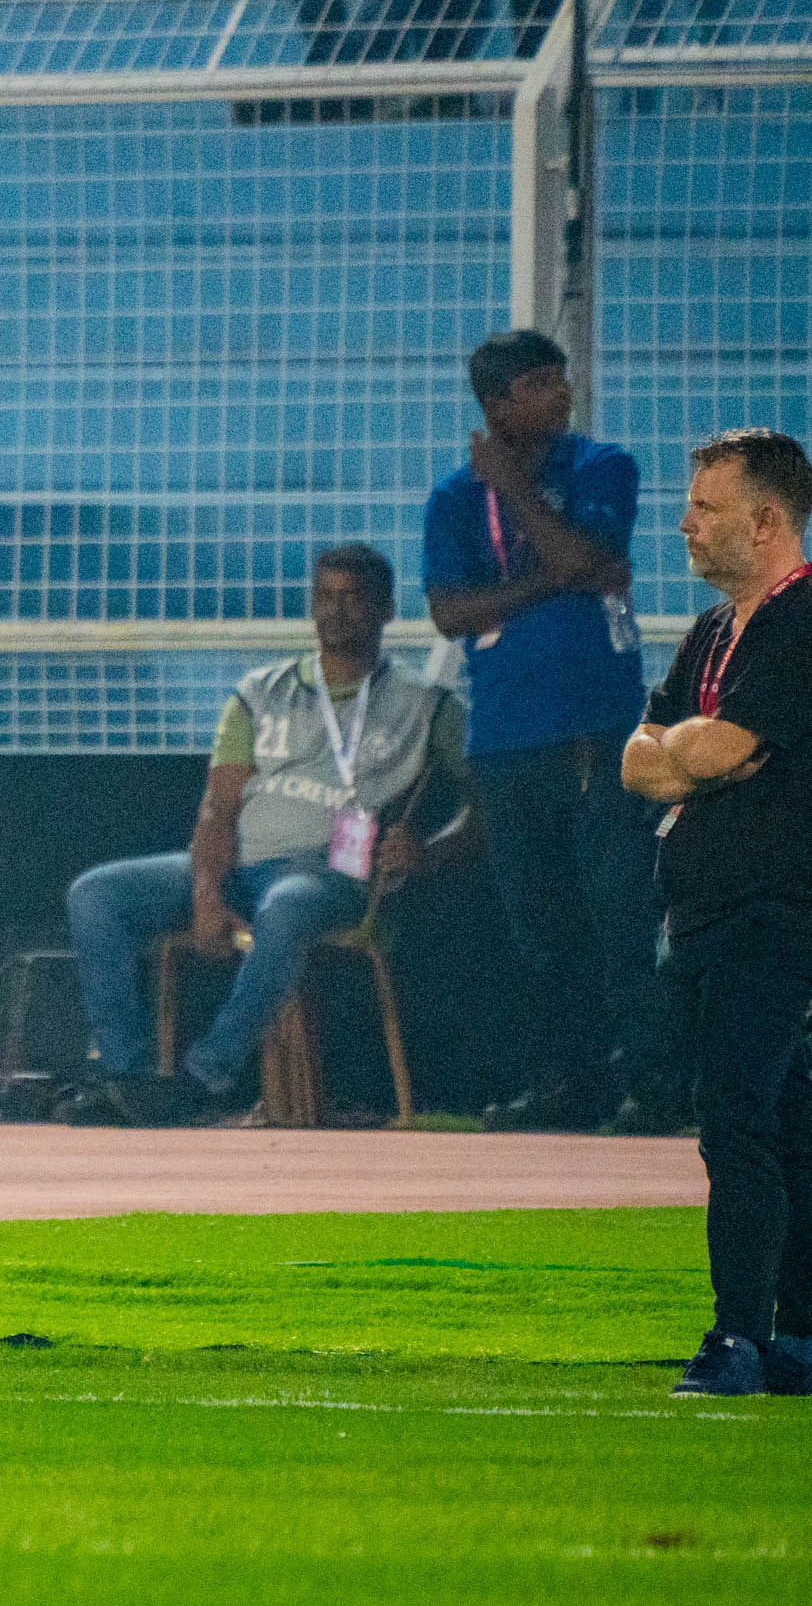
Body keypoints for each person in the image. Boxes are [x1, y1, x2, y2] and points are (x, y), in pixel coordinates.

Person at [66, 545, 476, 1126]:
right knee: (95, 895)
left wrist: (428, 853)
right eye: (324, 597)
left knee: (285, 907)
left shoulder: (426, 704)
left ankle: (203, 1080)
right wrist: (207, 892)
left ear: (386, 608)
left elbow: (488, 806)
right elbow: (217, 807)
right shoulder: (259, 691)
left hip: (327, 872)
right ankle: (127, 1081)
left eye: (353, 598)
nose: (336, 611)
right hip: (238, 863)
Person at [424, 328, 670, 1132]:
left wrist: (518, 492)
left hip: (595, 726)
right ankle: (567, 1083)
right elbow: (449, 611)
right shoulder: (454, 499)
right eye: (537, 383)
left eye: (560, 377)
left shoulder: (602, 466)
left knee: (620, 912)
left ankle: (651, 1085)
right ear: (495, 404)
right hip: (504, 738)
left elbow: (581, 556)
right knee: (539, 924)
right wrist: (557, 578)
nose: (560, 392)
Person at [620, 428, 812, 1399]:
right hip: (704, 912)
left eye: (706, 506)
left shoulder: (801, 620)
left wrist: (692, 752)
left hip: (772, 912)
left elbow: (716, 747)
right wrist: (694, 752)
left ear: (766, 520)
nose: (684, 523)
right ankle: (797, 1338)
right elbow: (641, 759)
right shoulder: (711, 629)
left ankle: (737, 1335)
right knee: (784, 1117)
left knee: (735, 1119)